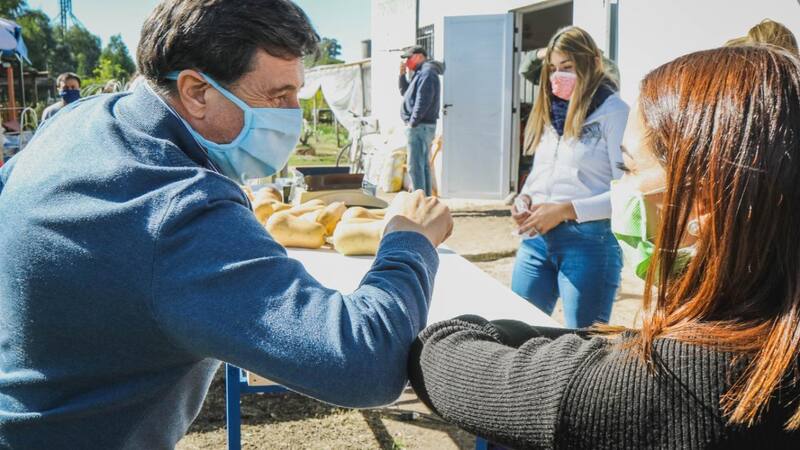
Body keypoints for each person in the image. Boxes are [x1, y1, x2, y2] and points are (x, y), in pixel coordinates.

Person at [0, 0, 453, 448]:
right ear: (197, 91)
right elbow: (364, 362)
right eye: (278, 97)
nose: (292, 115)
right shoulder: (178, 207)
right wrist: (408, 242)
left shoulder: (82, 120)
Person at [408, 45, 800, 449]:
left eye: (627, 168)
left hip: (582, 240)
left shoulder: (670, 386)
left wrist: (410, 242)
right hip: (539, 236)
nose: (621, 187)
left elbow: (445, 360)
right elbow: (590, 347)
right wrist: (526, 199)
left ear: (701, 207)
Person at [510, 27, 628, 328]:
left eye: (567, 68)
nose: (556, 77)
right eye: (552, 69)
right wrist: (525, 198)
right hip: (536, 241)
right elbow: (543, 171)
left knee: (583, 343)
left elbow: (627, 192)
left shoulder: (614, 112)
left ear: (591, 64)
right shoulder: (553, 111)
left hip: (588, 243)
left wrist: (565, 210)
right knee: (515, 330)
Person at [398, 45, 444, 196]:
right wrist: (401, 76)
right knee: (422, 165)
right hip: (421, 125)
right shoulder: (419, 73)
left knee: (415, 166)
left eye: (408, 58)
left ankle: (419, 201)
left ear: (418, 56)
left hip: (420, 126)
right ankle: (424, 200)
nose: (406, 61)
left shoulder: (427, 73)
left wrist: (413, 122)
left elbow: (423, 100)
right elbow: (406, 93)